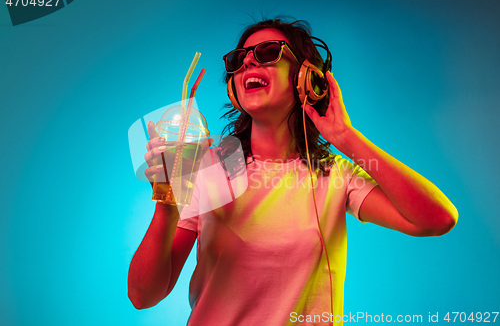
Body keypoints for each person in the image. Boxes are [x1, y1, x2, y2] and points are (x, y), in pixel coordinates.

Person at [128, 18, 458, 325]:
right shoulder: (209, 167)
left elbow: (437, 219)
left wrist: (345, 137)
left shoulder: (334, 174)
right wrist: (167, 202)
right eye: (239, 58)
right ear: (233, 88)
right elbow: (143, 296)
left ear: (306, 80)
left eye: (268, 53)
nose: (248, 62)